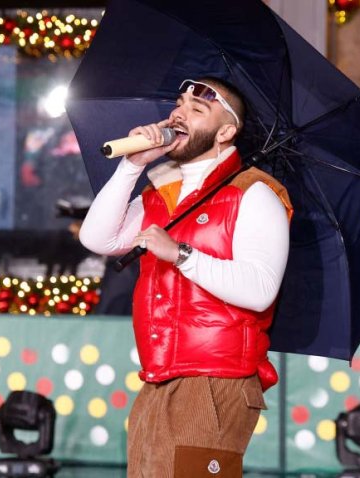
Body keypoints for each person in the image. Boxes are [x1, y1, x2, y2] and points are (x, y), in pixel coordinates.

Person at [79, 77, 292, 477]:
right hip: (161, 373)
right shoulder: (164, 194)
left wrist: (180, 254)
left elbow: (261, 289)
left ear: (226, 132)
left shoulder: (256, 193)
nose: (180, 114)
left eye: (198, 110)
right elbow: (98, 237)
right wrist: (133, 165)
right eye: (179, 104)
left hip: (216, 378)